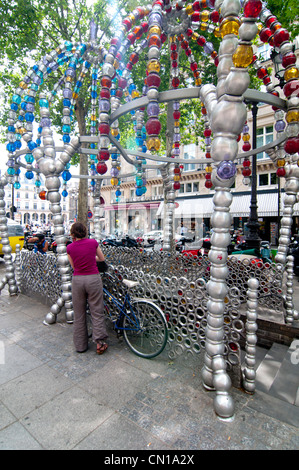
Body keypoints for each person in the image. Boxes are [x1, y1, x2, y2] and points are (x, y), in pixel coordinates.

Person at [67, 222, 108, 355]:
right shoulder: (93, 243)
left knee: (79, 314)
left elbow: (73, 267)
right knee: (97, 311)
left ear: (73, 234)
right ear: (85, 231)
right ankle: (100, 343)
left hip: (78, 280)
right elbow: (102, 259)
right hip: (93, 279)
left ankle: (80, 346)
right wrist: (91, 258)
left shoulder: (70, 248)